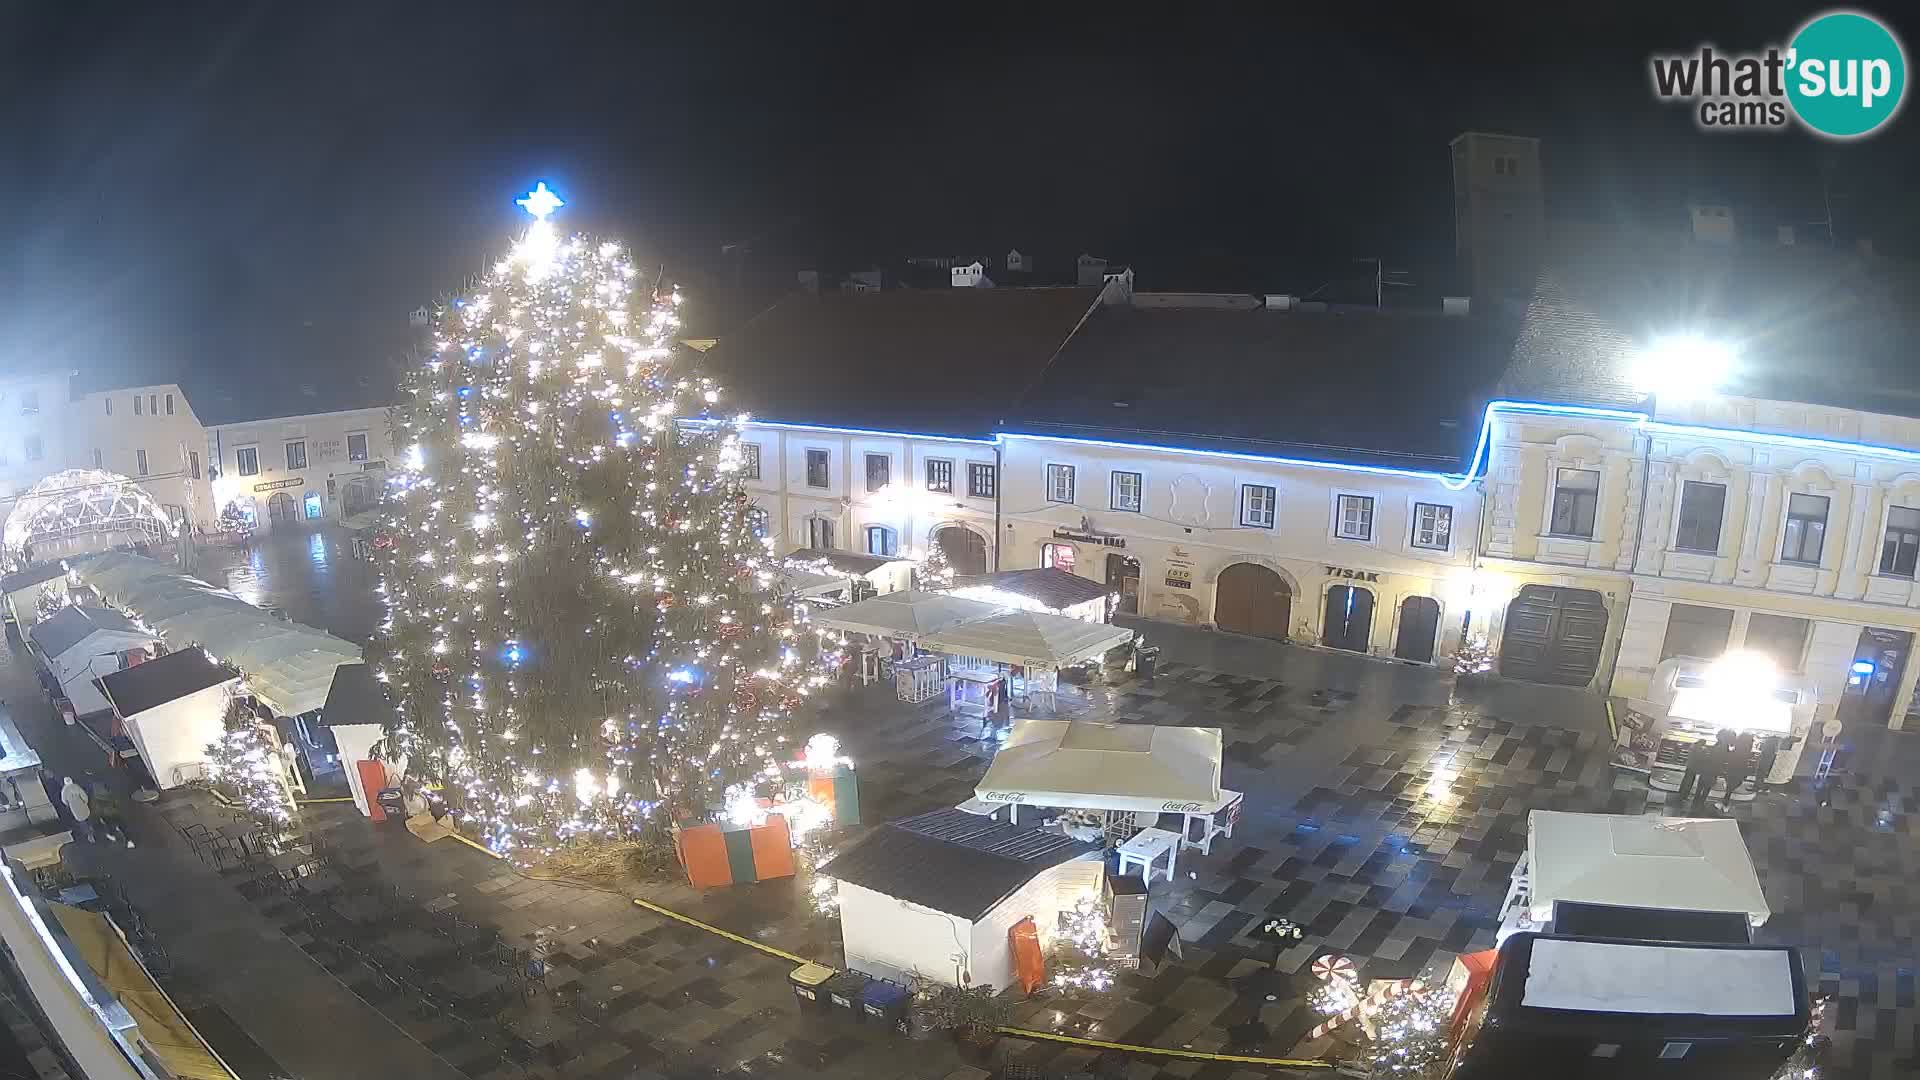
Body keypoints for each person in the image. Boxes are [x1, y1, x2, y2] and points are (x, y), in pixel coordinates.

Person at [1727, 730, 1757, 806]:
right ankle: (1726, 798)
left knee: (1732, 783)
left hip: (1734, 767)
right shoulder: (1746, 748)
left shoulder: (1738, 747)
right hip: (1740, 767)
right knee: (1736, 782)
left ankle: (1726, 797)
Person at [60, 777, 92, 843]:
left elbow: (64, 800)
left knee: (80, 820)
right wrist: (85, 801)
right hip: (81, 804)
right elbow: (83, 795)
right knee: (87, 817)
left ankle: (87, 833)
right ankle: (91, 829)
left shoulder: (64, 790)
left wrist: (68, 804)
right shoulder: (76, 786)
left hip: (73, 806)